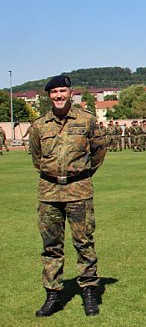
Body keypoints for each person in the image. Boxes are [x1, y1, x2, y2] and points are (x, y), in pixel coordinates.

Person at [29, 75, 107, 316]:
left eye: (62, 90)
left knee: (84, 243)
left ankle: (89, 292)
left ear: (70, 93)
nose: (59, 95)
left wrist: (80, 174)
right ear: (49, 96)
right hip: (49, 192)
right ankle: (53, 295)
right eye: (54, 92)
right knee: (51, 246)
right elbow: (36, 157)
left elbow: (99, 151)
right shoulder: (40, 125)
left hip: (79, 191)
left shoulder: (87, 121)